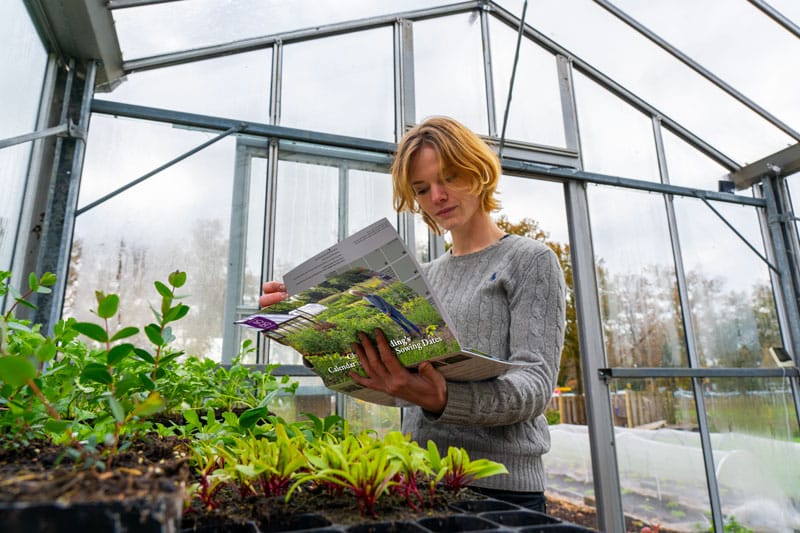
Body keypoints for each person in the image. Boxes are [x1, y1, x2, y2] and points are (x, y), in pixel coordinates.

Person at [260, 116, 565, 513]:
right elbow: (388, 366)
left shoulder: (529, 261)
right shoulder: (423, 278)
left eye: (449, 178)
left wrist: (443, 397)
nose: (437, 196)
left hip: (501, 494)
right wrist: (306, 326)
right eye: (422, 189)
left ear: (479, 172)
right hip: (420, 480)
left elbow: (535, 385)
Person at [349, 289, 423, 338]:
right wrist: (368, 306)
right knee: (400, 324)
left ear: (358, 291)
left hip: (390, 309)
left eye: (356, 292)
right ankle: (410, 333)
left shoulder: (373, 295)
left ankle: (419, 331)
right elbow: (376, 306)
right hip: (385, 312)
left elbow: (384, 303)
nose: (357, 294)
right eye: (355, 294)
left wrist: (388, 311)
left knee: (405, 320)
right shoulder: (365, 299)